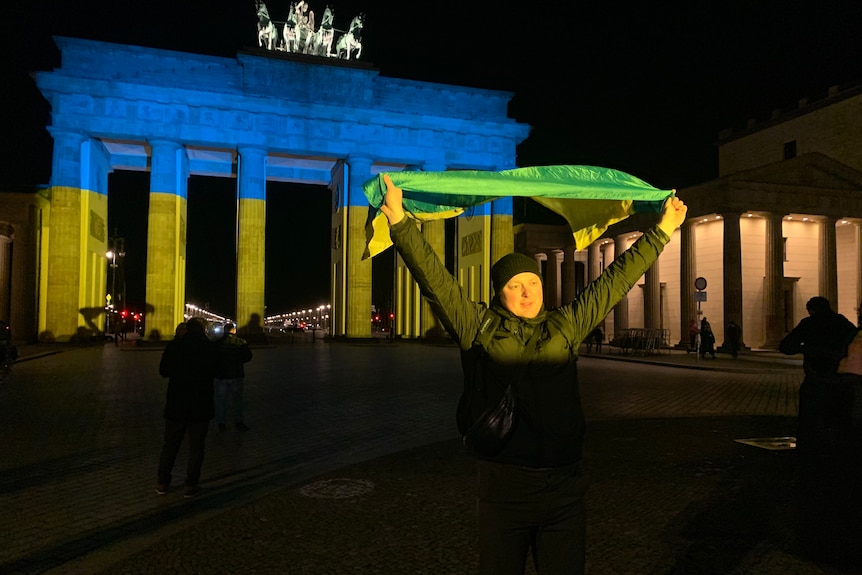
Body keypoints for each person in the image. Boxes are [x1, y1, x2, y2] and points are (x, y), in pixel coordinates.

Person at [379, 174, 687, 574]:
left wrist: (662, 230)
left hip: (564, 489)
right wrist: (401, 223)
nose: (527, 292)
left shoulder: (567, 324)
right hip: (504, 490)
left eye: (532, 282)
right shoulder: (477, 326)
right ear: (498, 294)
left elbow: (615, 281)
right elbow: (436, 281)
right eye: (514, 285)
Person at [779, 296, 861, 563]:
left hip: (817, 385)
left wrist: (808, 346)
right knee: (841, 436)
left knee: (812, 435)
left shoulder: (809, 323)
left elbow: (786, 346)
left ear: (812, 310)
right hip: (843, 385)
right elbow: (851, 343)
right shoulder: (842, 323)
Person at [156, 318, 218, 498]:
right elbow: (219, 371)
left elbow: (163, 371)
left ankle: (162, 483)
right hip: (201, 404)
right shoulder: (209, 347)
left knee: (170, 445)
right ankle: (191, 485)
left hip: (177, 403)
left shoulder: (175, 346)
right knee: (196, 446)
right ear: (203, 330)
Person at [214, 322, 253, 432]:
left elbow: (213, 358)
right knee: (238, 400)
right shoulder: (241, 342)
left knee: (221, 400)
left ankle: (221, 423)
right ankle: (238, 422)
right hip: (236, 374)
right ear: (234, 331)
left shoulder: (217, 343)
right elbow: (248, 357)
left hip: (221, 376)